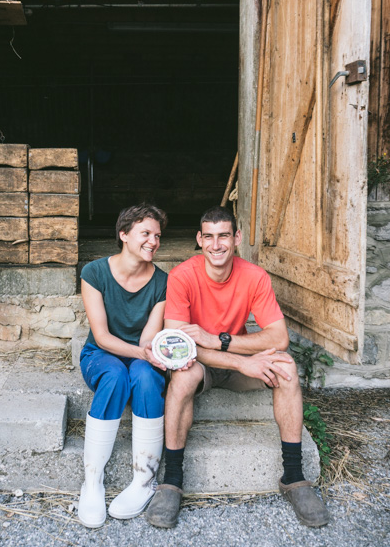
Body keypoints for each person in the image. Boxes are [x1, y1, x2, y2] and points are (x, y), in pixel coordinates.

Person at [146, 205, 330, 530]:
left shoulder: (254, 276)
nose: (217, 245)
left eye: (224, 236)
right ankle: (171, 479)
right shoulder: (182, 276)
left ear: (237, 238)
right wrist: (243, 361)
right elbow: (179, 350)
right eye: (210, 237)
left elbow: (279, 337)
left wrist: (220, 340)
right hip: (201, 365)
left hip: (230, 356)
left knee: (285, 366)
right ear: (199, 240)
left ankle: (294, 477)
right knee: (183, 376)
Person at [78, 203, 169, 528]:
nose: (153, 241)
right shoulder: (95, 273)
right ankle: (92, 482)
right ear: (124, 234)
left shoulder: (161, 282)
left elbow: (148, 339)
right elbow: (101, 337)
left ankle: (144, 481)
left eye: (157, 235)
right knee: (115, 376)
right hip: (100, 356)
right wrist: (140, 353)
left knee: (146, 378)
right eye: (146, 233)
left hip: (140, 356)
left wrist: (148, 355)